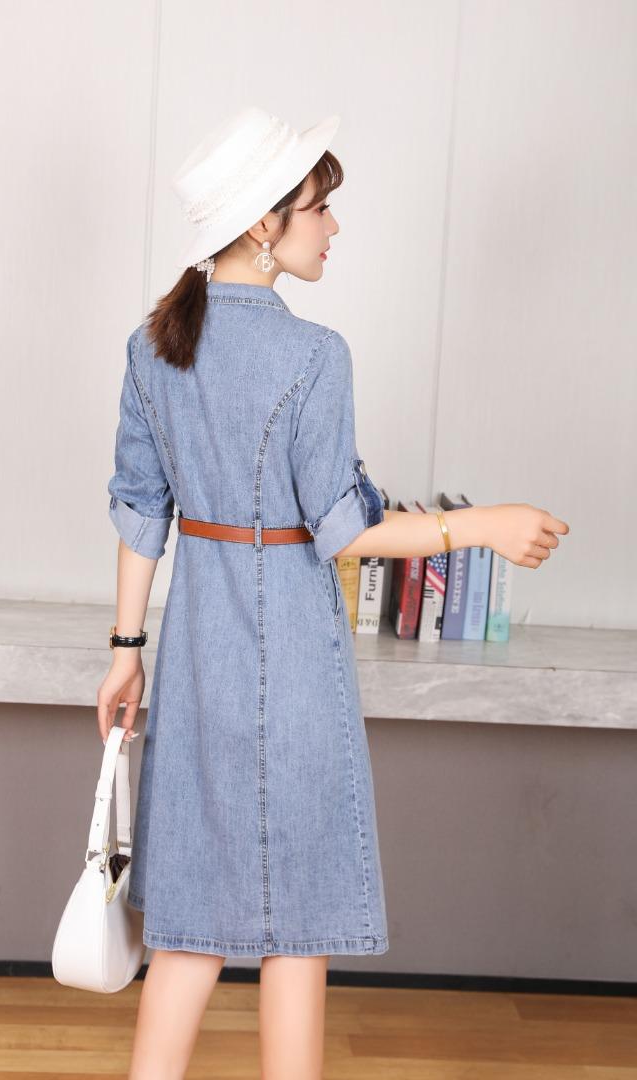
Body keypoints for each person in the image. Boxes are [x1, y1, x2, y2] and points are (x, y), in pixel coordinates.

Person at [96, 106, 570, 1080]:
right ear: (262, 223)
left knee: (188, 920)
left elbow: (141, 511)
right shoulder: (315, 355)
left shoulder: (153, 348)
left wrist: (125, 653)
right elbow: (344, 531)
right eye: (319, 207)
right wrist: (487, 523)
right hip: (296, 666)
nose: (333, 225)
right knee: (299, 920)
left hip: (195, 656)